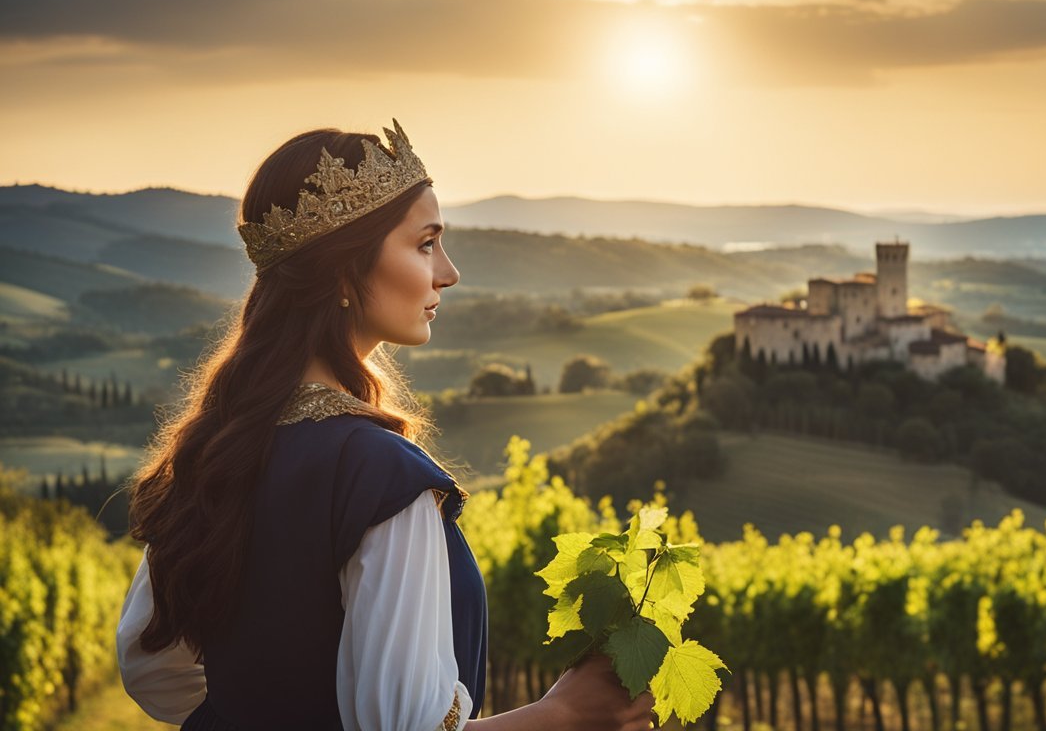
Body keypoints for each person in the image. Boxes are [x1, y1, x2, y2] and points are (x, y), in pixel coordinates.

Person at [115, 121, 657, 731]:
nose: (447, 273)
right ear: (345, 272)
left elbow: (152, 670)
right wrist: (561, 714)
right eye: (425, 244)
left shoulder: (218, 447)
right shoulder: (381, 476)